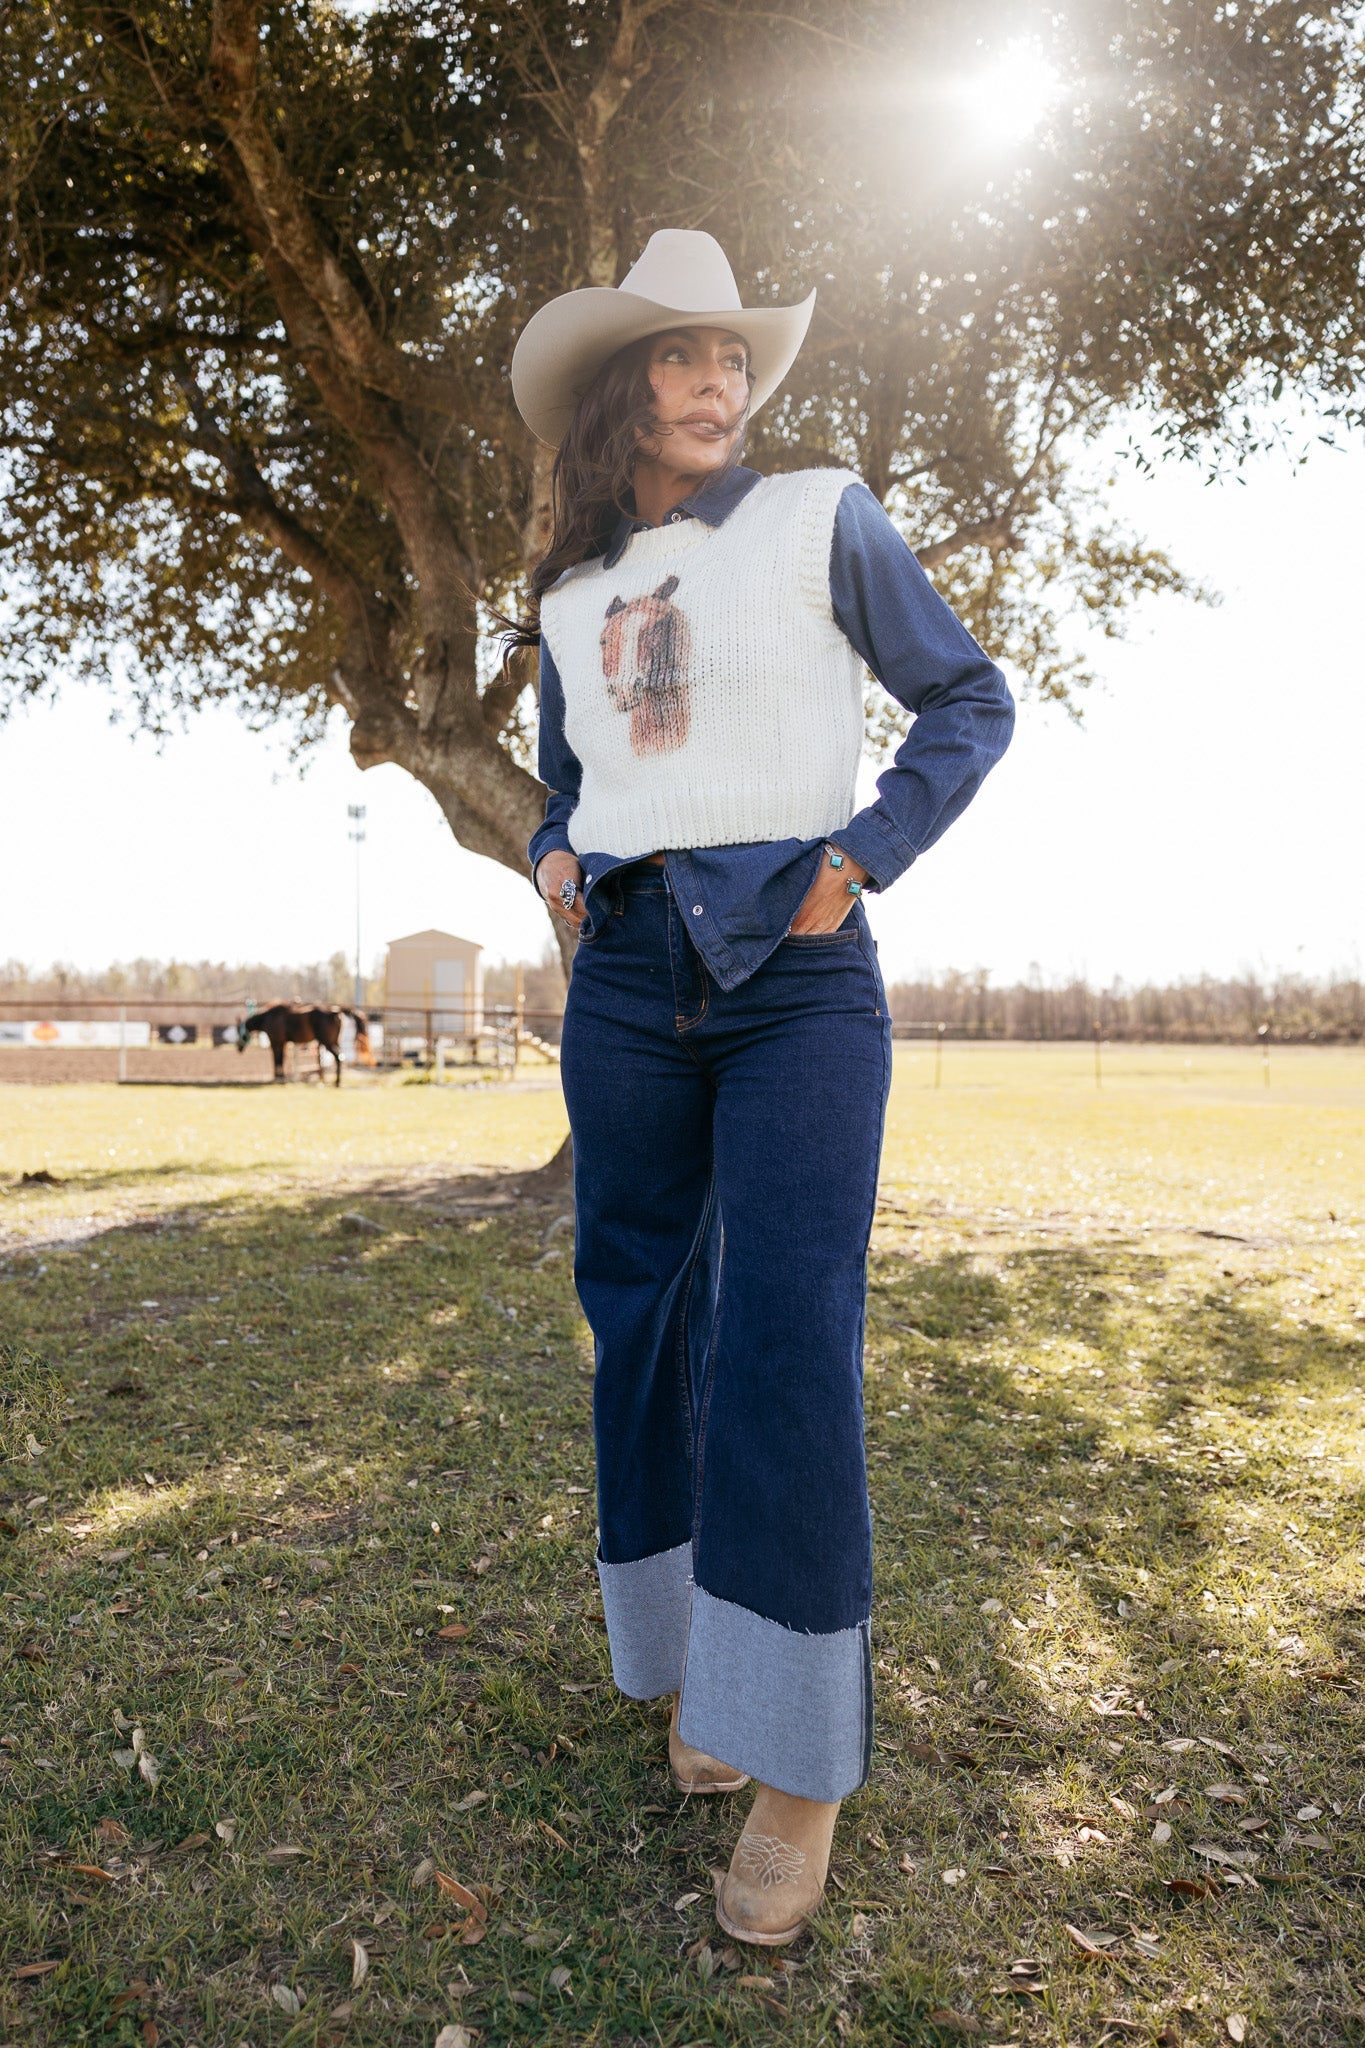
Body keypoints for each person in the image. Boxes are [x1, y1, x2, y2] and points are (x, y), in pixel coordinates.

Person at [507, 229, 1014, 1945]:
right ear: (619, 393)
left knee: (788, 1338)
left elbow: (965, 696)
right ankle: (692, 1679)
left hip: (794, 977)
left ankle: (797, 1774)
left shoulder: (821, 514)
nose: (718, 383)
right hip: (629, 982)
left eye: (731, 358)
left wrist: (858, 856)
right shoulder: (569, 594)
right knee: (644, 1319)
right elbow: (567, 782)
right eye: (680, 357)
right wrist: (553, 855)